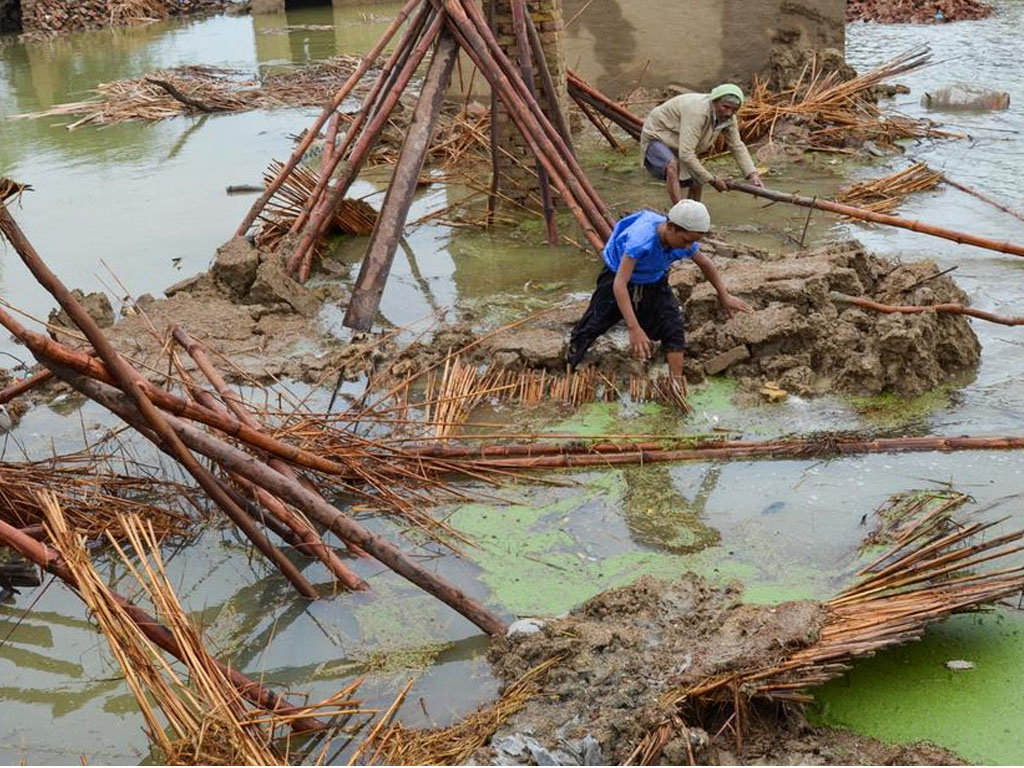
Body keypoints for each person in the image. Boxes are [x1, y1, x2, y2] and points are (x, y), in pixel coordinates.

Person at [566, 199, 750, 387]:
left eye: (693, 242)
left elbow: (705, 263)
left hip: (654, 279)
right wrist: (634, 328)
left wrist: (724, 295)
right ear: (670, 227)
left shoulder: (682, 241)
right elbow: (619, 284)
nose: (688, 247)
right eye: (686, 241)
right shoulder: (641, 240)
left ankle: (675, 384)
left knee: (673, 326)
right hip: (617, 276)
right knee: (592, 326)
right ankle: (568, 366)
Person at [641, 83, 764, 204]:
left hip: (679, 140)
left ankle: (693, 214)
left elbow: (736, 145)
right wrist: (713, 180)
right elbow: (686, 154)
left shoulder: (729, 118)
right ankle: (678, 213)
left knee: (697, 179)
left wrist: (752, 175)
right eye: (725, 107)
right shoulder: (697, 112)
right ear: (714, 102)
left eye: (733, 110)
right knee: (673, 166)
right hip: (658, 134)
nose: (728, 113)